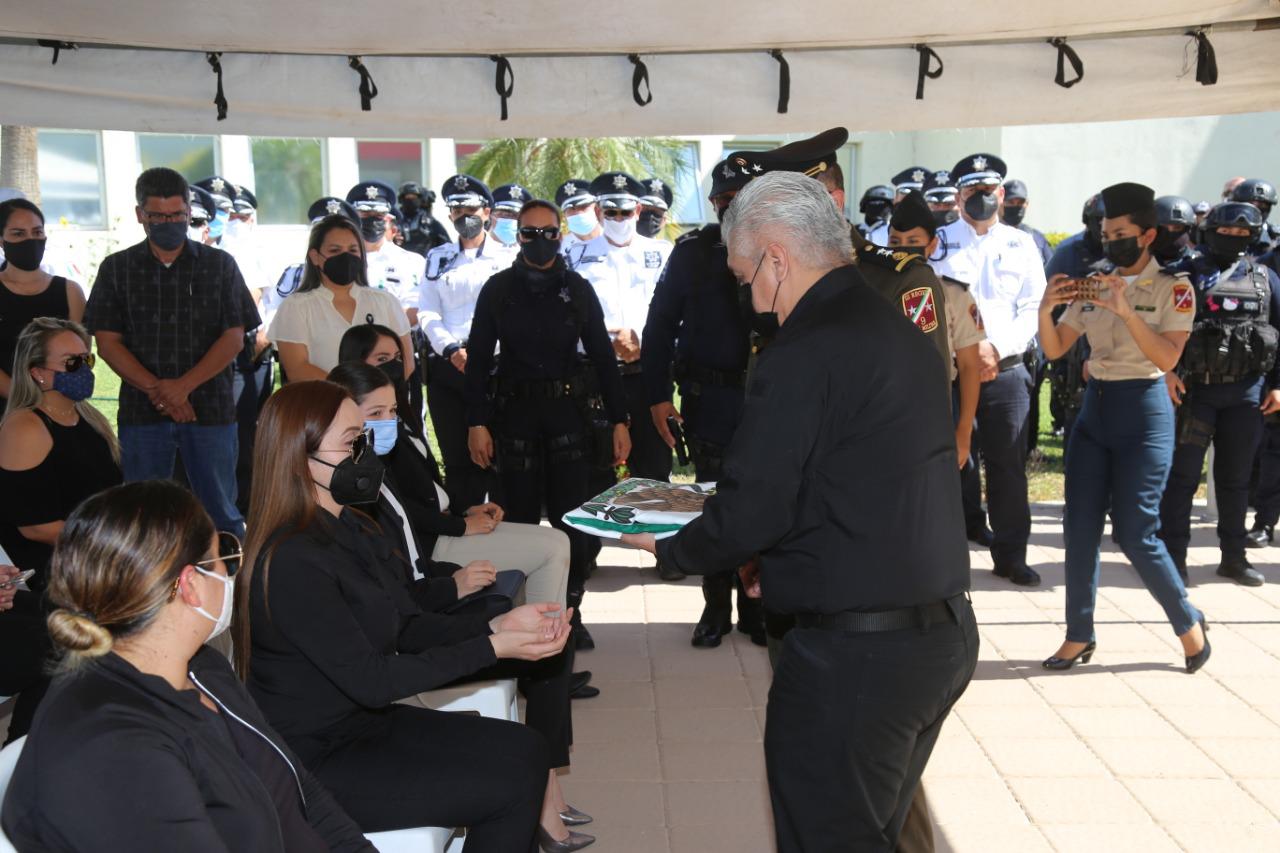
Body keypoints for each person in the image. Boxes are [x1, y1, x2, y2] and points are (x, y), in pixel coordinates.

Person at [622, 171, 977, 852]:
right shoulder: (891, 324)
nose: (746, 297)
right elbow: (855, 478)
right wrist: (777, 558)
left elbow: (755, 503)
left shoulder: (803, 352)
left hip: (859, 657)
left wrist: (669, 545)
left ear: (777, 259)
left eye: (744, 275)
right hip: (934, 635)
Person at [240, 381, 592, 851]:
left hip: (362, 726)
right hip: (315, 761)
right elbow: (374, 681)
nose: (364, 455)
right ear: (300, 458)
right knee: (505, 789)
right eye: (351, 443)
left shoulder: (348, 525)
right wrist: (491, 647)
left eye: (363, 439)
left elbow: (404, 624)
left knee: (527, 749)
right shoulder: (290, 560)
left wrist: (495, 626)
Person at [0, 480, 377, 851]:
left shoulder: (200, 666)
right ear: (190, 584)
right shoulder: (113, 748)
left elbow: (298, 788)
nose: (231, 573)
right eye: (222, 554)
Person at [1037, 181, 1210, 674]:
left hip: (1144, 412)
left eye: (1120, 232)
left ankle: (1187, 623)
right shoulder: (1093, 282)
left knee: (1136, 532)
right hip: (1096, 412)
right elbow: (1055, 349)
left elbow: (1166, 356)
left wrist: (1126, 310)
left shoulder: (1174, 288)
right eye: (1105, 231)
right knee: (1080, 528)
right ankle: (1078, 634)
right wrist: (1044, 308)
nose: (1110, 239)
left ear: (1148, 235)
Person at [466, 199, 631, 670]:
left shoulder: (577, 289)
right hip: (513, 418)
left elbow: (603, 358)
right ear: (515, 237)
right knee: (517, 522)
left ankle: (570, 614)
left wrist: (620, 420)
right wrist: (476, 422)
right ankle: (519, 613)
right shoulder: (497, 290)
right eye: (529, 233)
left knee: (571, 522)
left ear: (561, 235)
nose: (541, 242)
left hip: (567, 418)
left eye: (549, 232)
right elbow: (478, 359)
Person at [84, 167, 257, 537]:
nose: (169, 223)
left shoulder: (219, 265)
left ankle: (230, 590)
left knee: (221, 514)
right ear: (140, 215)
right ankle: (150, 592)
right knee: (144, 518)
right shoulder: (117, 269)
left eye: (177, 215)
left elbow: (234, 338)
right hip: (142, 415)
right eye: (158, 216)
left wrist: (182, 388)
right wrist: (159, 392)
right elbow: (107, 342)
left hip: (210, 412)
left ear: (189, 210)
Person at [328, 356, 572, 613]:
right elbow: (403, 520)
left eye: (392, 411)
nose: (389, 420)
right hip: (429, 546)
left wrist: (465, 509)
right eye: (377, 413)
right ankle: (543, 640)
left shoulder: (382, 444)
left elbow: (428, 490)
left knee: (556, 543)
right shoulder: (355, 471)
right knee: (550, 549)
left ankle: (541, 637)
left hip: (434, 542)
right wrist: (459, 528)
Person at [642, 156, 764, 646]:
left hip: (764, 399)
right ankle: (716, 605)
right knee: (711, 503)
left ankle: (757, 606)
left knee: (761, 497)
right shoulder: (692, 251)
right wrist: (655, 395)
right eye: (722, 202)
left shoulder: (782, 246)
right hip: (708, 398)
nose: (730, 209)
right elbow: (659, 325)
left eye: (740, 201)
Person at [0, 318, 123, 742]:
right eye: (72, 363)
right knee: (71, 647)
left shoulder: (89, 419)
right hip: (49, 566)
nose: (85, 370)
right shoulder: (25, 426)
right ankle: (26, 750)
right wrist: (108, 541)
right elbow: (32, 526)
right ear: (38, 372)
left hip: (89, 554)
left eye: (86, 359)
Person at [933, 153, 1047, 586]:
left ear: (1001, 193)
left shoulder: (1022, 244)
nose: (980, 198)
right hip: (951, 373)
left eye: (988, 191)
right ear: (957, 196)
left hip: (1007, 370)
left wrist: (995, 348)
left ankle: (1011, 554)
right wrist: (967, 351)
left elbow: (1032, 307)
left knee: (1007, 466)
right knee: (947, 462)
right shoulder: (939, 242)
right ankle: (946, 552)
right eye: (971, 191)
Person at [1158, 201, 1280, 587]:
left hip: (1247, 393)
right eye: (1226, 232)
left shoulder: (1265, 278)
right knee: (1182, 477)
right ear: (1210, 231)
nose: (1233, 238)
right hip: (1195, 391)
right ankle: (1173, 558)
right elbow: (1158, 325)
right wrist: (1166, 371)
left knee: (1235, 478)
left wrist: (1277, 384)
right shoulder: (1185, 274)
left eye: (1243, 234)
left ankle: (1234, 557)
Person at [567, 172, 673, 483]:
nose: (618, 218)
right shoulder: (574, 255)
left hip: (648, 373)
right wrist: (603, 341)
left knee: (653, 469)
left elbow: (673, 313)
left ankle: (656, 533)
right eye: (610, 212)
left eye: (625, 212)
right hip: (597, 375)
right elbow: (568, 316)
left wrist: (640, 338)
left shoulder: (662, 252)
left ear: (638, 211)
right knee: (599, 466)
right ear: (598, 212)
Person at [420, 175, 517, 510]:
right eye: (456, 208)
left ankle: (509, 529)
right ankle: (465, 526)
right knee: (458, 457)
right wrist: (449, 349)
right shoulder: (437, 257)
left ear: (487, 211)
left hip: (495, 364)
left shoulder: (509, 257)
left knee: (499, 456)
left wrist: (480, 351)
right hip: (449, 365)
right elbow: (428, 312)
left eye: (471, 207)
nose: (464, 215)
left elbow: (513, 313)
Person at [888, 190, 985, 471]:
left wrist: (963, 431)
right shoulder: (875, 291)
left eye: (913, 242)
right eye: (896, 242)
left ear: (931, 246)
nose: (903, 248)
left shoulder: (953, 294)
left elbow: (969, 366)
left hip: (939, 404)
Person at [268, 213, 414, 383]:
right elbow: (297, 369)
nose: (346, 257)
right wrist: (354, 394)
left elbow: (407, 363)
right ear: (315, 256)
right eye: (335, 250)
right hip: (324, 406)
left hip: (381, 406)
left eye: (353, 250)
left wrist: (375, 400)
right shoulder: (295, 307)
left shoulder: (386, 302)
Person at [0, 198, 86, 399]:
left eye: (37, 232)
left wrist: (50, 402)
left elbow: (79, 358)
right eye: (18, 234)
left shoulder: (70, 291)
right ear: (2, 240)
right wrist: (26, 398)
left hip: (59, 405)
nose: (30, 240)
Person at [1045, 193, 1108, 449]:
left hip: (1114, 340)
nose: (1104, 228)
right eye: (1099, 221)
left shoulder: (1126, 254)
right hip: (1073, 339)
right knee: (1076, 407)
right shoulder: (1068, 253)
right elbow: (1051, 302)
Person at [865, 166, 930, 246]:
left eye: (919, 194)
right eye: (904, 193)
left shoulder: (942, 235)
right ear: (895, 198)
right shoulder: (875, 235)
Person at [1000, 179, 1053, 264]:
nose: (1015, 206)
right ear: (1000, 202)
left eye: (1020, 202)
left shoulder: (1036, 238)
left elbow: (1051, 270)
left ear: (1027, 204)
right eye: (1010, 202)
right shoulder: (990, 236)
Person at [397, 182, 451, 257]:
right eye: (408, 197)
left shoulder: (429, 222)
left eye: (414, 197)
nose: (410, 200)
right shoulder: (395, 220)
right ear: (402, 199)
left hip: (426, 264)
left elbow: (447, 245)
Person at [1228, 178, 1279, 256]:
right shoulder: (1220, 233)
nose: (1256, 210)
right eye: (1250, 204)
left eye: (1262, 205)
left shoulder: (1275, 238)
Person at [1152, 196, 1199, 265]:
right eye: (1163, 227)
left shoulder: (1200, 265)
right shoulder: (1137, 264)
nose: (1170, 231)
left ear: (1188, 229)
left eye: (1177, 227)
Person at [557, 179, 602, 247]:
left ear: (597, 208)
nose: (577, 213)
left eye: (583, 206)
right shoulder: (559, 248)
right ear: (564, 215)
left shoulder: (617, 240)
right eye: (571, 209)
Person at [491, 183, 531, 248]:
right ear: (490, 215)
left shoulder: (534, 256)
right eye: (503, 215)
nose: (509, 219)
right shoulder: (471, 252)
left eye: (516, 216)